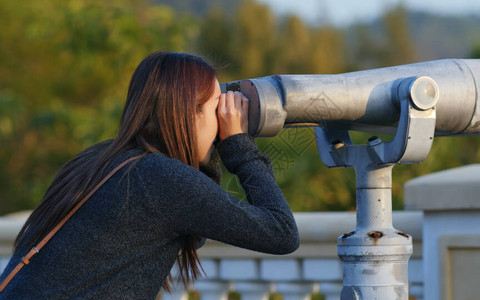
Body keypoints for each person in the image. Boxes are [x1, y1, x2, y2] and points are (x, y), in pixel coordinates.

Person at [0, 51, 300, 298]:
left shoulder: (102, 159)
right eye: (215, 108)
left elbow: (196, 230)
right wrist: (238, 144)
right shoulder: (159, 178)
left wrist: (213, 148)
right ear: (187, 114)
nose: (222, 119)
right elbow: (281, 233)